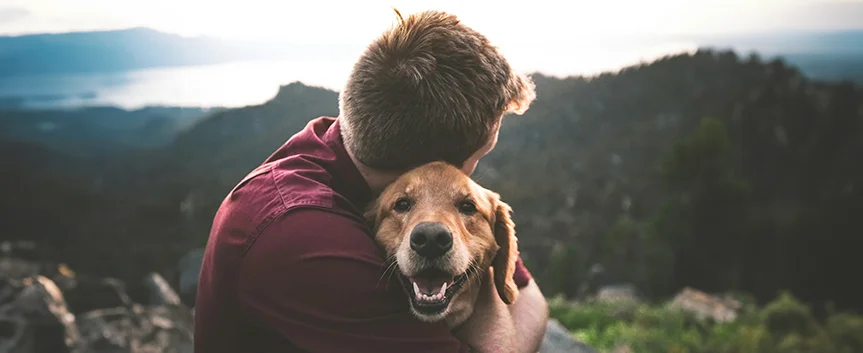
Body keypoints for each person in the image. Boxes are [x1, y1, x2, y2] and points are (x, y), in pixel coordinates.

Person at [194, 9, 548, 353]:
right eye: (480, 155)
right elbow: (523, 311)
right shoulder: (305, 239)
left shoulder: (345, 145)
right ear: (433, 165)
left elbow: (527, 293)